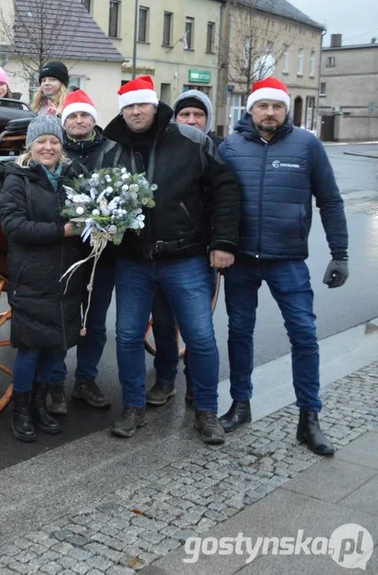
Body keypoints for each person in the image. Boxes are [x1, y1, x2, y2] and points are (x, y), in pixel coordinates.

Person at [102, 76, 240, 445]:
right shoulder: (112, 149)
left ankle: (207, 411)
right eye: (128, 106)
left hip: (185, 257)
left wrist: (223, 241)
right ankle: (133, 407)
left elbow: (225, 189)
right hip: (133, 261)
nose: (135, 112)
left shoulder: (191, 140)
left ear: (154, 106)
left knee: (200, 338)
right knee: (129, 335)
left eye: (141, 105)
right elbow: (99, 196)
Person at [217, 77, 348, 456]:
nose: (270, 112)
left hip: (287, 260)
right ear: (251, 109)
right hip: (241, 260)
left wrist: (340, 253)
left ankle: (309, 418)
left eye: (277, 106)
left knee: (304, 336)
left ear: (285, 110)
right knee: (240, 332)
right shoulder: (231, 146)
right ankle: (240, 404)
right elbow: (217, 202)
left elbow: (331, 200)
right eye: (263, 106)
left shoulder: (307, 145)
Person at [0, 116, 90, 442]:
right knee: (30, 349)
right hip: (33, 274)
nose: (48, 147)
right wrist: (60, 231)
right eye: (41, 142)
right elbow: (13, 225)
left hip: (67, 274)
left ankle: (39, 406)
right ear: (30, 147)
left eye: (53, 141)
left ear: (60, 146)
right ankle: (21, 411)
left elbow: (89, 213)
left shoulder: (73, 176)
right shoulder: (18, 179)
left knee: (55, 347)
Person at [45, 89, 117, 413]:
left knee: (95, 320)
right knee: (62, 316)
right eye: (72, 116)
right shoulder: (53, 150)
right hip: (64, 249)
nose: (78, 121)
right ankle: (55, 383)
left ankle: (86, 379)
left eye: (84, 115)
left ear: (93, 120)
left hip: (103, 252)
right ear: (64, 122)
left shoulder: (113, 150)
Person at [148, 89, 221, 407]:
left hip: (199, 253)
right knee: (163, 322)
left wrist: (220, 243)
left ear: (207, 120)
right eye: (185, 115)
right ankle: (165, 379)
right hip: (164, 252)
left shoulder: (216, 151)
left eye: (198, 115)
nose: (191, 120)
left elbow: (225, 201)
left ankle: (197, 386)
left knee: (197, 327)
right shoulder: (163, 148)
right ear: (176, 119)